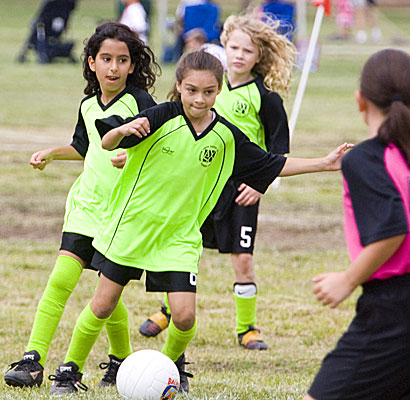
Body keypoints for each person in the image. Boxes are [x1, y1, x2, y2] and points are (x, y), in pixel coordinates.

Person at [47, 49, 351, 394]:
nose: (199, 99)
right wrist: (123, 130)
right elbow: (106, 141)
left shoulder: (226, 136)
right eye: (191, 90)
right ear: (179, 86)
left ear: (219, 90)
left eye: (208, 92)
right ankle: (68, 371)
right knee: (102, 305)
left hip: (178, 237)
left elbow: (271, 163)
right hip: (131, 228)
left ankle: (171, 367)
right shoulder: (161, 116)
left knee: (184, 316)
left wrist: (324, 163)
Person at [3, 21, 159, 391]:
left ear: (132, 66)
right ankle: (32, 360)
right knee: (61, 279)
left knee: (107, 293)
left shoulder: (141, 104)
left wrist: (129, 157)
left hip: (121, 213)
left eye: (122, 60)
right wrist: (52, 154)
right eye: (106, 59)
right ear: (91, 62)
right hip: (85, 205)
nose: (113, 67)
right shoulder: (88, 105)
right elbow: (83, 147)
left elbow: (159, 150)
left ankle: (120, 359)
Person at [140, 13, 295, 352]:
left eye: (248, 50)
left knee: (243, 259)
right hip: (201, 184)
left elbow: (278, 151)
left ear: (259, 56)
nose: (239, 55)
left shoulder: (265, 96)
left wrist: (259, 185)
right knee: (181, 250)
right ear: (224, 45)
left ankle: (247, 328)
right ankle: (168, 310)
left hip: (241, 190)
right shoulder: (208, 83)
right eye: (234, 48)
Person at [305, 48, 410, 400]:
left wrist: (348, 279)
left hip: (392, 311)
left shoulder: (366, 158)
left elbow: (394, 228)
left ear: (360, 100)